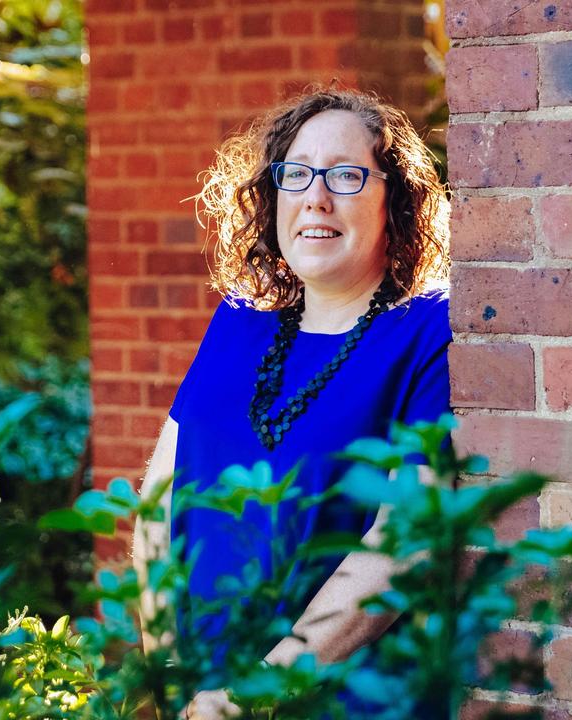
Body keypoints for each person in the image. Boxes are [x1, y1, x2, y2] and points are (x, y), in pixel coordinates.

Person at [131, 85, 452, 719]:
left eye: (347, 175)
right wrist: (169, 672)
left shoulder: (428, 331)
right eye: (297, 173)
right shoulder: (238, 319)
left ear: (397, 200)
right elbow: (158, 499)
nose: (316, 196)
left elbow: (409, 540)